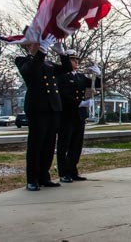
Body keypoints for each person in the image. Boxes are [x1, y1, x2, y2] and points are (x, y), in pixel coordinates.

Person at [15, 34, 72, 191]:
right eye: (37, 44)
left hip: (53, 107)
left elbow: (66, 69)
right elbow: (31, 70)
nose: (40, 45)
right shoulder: (23, 60)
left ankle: (44, 176)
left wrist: (62, 53)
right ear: (28, 46)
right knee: (36, 144)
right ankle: (32, 179)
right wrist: (42, 51)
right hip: (37, 108)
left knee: (48, 144)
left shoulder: (47, 63)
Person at [56, 51, 101, 183]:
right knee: (64, 145)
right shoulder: (61, 76)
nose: (75, 62)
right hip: (67, 114)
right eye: (72, 60)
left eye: (76, 60)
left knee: (76, 145)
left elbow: (95, 84)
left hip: (79, 116)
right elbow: (63, 95)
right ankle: (63, 173)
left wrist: (98, 75)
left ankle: (72, 171)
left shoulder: (80, 77)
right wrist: (80, 102)